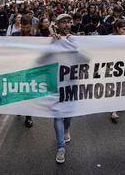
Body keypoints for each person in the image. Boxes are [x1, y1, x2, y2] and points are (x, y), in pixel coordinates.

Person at [52, 14, 73, 164]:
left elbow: (86, 59)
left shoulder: (76, 39)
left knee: (69, 114)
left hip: (72, 82)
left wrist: (73, 44)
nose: (66, 25)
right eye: (63, 22)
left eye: (68, 22)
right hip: (55, 82)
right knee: (58, 114)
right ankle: (61, 147)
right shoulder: (51, 39)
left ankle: (66, 129)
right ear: (58, 25)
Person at [12, 17, 35, 128]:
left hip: (31, 69)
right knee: (19, 91)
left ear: (31, 25)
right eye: (23, 27)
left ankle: (28, 117)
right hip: (18, 67)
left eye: (27, 27)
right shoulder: (15, 35)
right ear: (20, 25)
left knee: (29, 94)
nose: (25, 29)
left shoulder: (37, 36)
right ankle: (20, 107)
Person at [110, 20, 125, 122]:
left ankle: (119, 105)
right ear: (117, 28)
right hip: (113, 66)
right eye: (123, 29)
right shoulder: (110, 38)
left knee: (122, 86)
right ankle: (113, 110)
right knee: (115, 88)